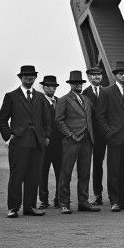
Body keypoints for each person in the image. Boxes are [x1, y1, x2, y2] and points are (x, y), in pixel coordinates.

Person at [0, 64, 50, 217]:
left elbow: (47, 121)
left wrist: (46, 136)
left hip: (37, 143)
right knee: (17, 175)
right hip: (18, 143)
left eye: (32, 76)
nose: (29, 78)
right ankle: (13, 208)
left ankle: (30, 207)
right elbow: (2, 121)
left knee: (34, 176)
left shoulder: (40, 97)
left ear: (35, 78)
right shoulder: (11, 96)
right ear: (21, 78)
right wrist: (9, 137)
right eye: (26, 76)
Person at [55, 70, 100, 214]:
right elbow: (59, 121)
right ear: (71, 85)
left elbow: (92, 117)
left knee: (85, 172)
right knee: (66, 172)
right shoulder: (64, 100)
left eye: (80, 83)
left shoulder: (86, 100)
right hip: (71, 141)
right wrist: (70, 135)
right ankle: (64, 203)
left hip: (87, 141)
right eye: (75, 83)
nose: (78, 85)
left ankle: (83, 202)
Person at [98, 61, 124, 212]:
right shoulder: (107, 92)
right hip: (114, 137)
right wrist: (108, 132)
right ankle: (115, 200)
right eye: (122, 74)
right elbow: (100, 115)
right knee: (114, 170)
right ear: (115, 76)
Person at [82, 66, 107, 205]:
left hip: (105, 134)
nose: (97, 77)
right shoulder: (84, 93)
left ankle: (98, 194)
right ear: (89, 77)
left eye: (99, 75)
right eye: (93, 75)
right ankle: (87, 195)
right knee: (85, 165)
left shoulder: (107, 92)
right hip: (89, 135)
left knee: (99, 164)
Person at [37, 74, 63, 210]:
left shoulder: (59, 101)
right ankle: (43, 201)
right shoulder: (39, 101)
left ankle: (59, 199)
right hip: (44, 145)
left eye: (53, 86)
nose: (51, 88)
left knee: (60, 172)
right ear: (43, 87)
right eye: (48, 86)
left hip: (59, 145)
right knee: (43, 173)